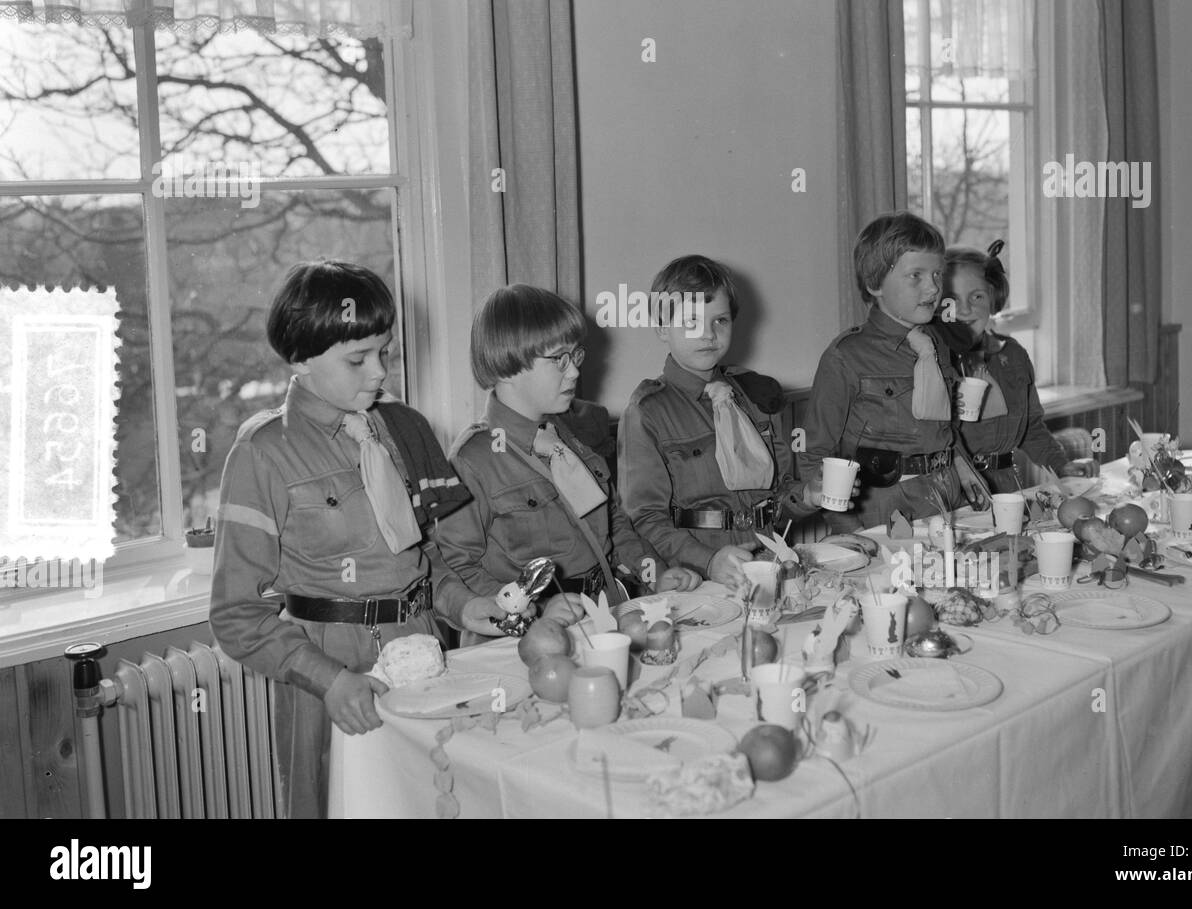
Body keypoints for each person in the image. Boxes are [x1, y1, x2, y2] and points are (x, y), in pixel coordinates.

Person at [209, 260, 509, 819]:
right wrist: (329, 681)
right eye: (357, 359)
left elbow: (422, 560)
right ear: (300, 357)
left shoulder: (400, 429)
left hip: (422, 655)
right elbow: (235, 616)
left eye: (384, 353)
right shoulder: (263, 452)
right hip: (332, 671)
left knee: (433, 798)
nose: (378, 373)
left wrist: (465, 606)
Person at [436, 284, 700, 603]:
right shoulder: (474, 460)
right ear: (506, 366)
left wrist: (654, 573)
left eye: (575, 354)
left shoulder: (571, 438)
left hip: (602, 612)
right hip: (526, 633)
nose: (575, 371)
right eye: (558, 359)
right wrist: (529, 609)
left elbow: (614, 528)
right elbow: (459, 569)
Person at [618, 255, 820, 588]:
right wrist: (707, 562)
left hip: (766, 564)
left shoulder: (753, 395)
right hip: (696, 579)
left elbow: (777, 494)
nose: (709, 333)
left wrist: (807, 496)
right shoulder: (647, 411)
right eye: (691, 320)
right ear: (661, 327)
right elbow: (644, 519)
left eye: (720, 320)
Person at [799, 212, 988, 531]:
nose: (932, 289)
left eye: (937, 275)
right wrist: (847, 527)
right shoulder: (846, 357)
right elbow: (815, 454)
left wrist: (962, 464)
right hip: (881, 511)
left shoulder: (936, 346)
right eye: (916, 275)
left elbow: (945, 427)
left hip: (944, 500)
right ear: (875, 283)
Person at [943, 240, 1069, 491]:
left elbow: (1031, 430)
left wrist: (1062, 466)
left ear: (993, 298)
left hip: (1006, 489)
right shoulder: (933, 362)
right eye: (952, 300)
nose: (965, 309)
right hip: (953, 492)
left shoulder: (1013, 356)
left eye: (977, 296)